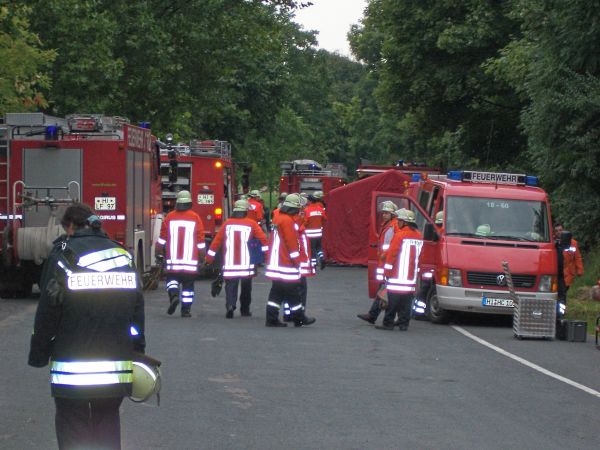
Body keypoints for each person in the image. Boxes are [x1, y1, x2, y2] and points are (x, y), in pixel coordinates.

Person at [28, 203, 145, 450]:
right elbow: (136, 312)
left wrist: (39, 353)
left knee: (73, 427)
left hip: (71, 368)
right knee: (107, 423)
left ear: (70, 226)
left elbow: (48, 312)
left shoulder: (62, 257)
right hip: (116, 365)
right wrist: (137, 348)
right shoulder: (123, 256)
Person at [205, 199, 269, 318]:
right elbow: (263, 240)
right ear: (245, 211)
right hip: (247, 264)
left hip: (230, 263)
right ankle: (245, 310)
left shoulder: (227, 224)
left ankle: (230, 305)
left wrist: (208, 259)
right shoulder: (251, 224)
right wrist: (266, 256)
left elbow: (216, 242)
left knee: (230, 286)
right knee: (246, 288)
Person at [265, 193, 316, 327]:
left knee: (276, 292)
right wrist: (296, 261)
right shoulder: (288, 221)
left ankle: (271, 318)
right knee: (293, 292)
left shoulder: (278, 218)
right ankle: (299, 318)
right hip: (285, 262)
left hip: (276, 261)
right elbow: (291, 243)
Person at [156, 190, 205, 317]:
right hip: (190, 263)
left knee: (171, 281)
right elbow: (200, 241)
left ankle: (174, 295)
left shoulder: (170, 217)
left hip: (173, 262)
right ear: (189, 203)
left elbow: (162, 238)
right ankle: (186, 310)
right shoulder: (195, 217)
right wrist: (202, 257)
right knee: (188, 287)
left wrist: (158, 252)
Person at [376, 208, 423, 331]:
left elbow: (392, 255)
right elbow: (420, 257)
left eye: (400, 221)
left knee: (392, 302)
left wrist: (386, 272)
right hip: (411, 278)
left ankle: (388, 323)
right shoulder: (419, 236)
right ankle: (403, 324)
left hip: (396, 277)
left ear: (405, 222)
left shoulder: (399, 235)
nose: (398, 223)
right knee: (406, 303)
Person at [357, 200, 398, 324]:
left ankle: (377, 316)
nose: (384, 215)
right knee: (383, 291)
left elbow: (389, 248)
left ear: (392, 215)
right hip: (385, 263)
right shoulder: (387, 226)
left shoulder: (391, 227)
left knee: (386, 291)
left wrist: (385, 261)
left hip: (387, 264)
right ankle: (373, 315)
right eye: (383, 213)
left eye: (387, 213)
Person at [554, 222, 584, 310]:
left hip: (567, 274)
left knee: (562, 295)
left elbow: (577, 257)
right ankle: (555, 311)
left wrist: (580, 270)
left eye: (560, 230)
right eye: (556, 231)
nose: (559, 232)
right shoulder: (552, 243)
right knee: (555, 294)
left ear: (564, 231)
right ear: (554, 233)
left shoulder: (573, 243)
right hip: (555, 273)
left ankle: (560, 313)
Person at [304, 190, 327, 269]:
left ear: (310, 201)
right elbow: (325, 219)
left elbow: (305, 222)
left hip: (310, 233)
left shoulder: (307, 210)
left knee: (312, 249)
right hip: (319, 232)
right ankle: (322, 257)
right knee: (319, 247)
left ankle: (313, 264)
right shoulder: (320, 209)